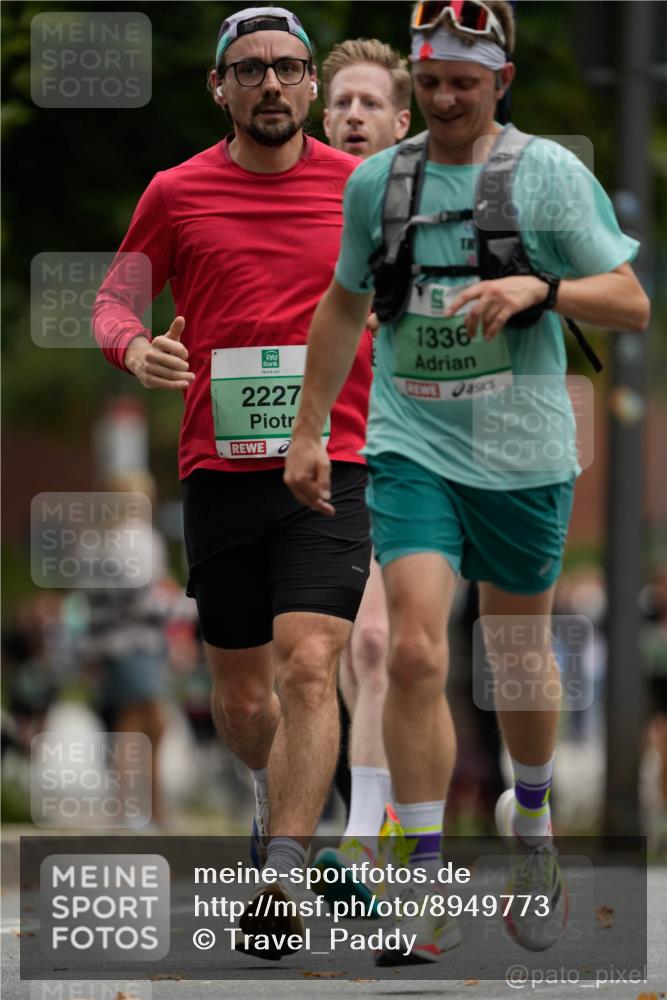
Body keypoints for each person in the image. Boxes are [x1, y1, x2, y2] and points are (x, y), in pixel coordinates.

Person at [285, 0, 649, 966]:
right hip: (412, 445)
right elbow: (342, 302)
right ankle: (422, 878)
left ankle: (531, 828)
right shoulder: (378, 185)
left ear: (500, 83)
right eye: (432, 81)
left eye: (464, 83)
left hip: (523, 452)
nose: (445, 99)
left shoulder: (548, 176)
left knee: (515, 651)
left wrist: (543, 287)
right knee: (408, 648)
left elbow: (632, 302)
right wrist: (309, 429)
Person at [93, 5, 374, 955]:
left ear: (310, 85)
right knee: (248, 700)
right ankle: (273, 798)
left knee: (309, 663)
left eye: (288, 69)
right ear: (219, 87)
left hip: (334, 463)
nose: (269, 85)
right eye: (248, 69)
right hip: (219, 470)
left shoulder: (359, 186)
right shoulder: (176, 192)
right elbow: (116, 299)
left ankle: (284, 877)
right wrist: (136, 352)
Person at [317, 38, 411, 896]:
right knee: (303, 662)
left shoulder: (436, 206)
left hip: (404, 456)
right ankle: (280, 818)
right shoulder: (298, 197)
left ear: (401, 120)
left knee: (378, 645)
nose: (351, 115)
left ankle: (364, 838)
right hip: (302, 455)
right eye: (340, 101)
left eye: (369, 103)